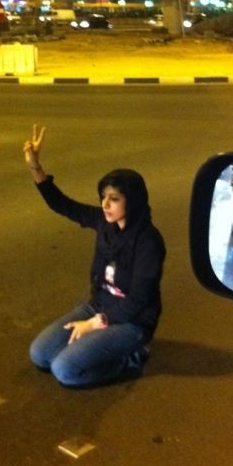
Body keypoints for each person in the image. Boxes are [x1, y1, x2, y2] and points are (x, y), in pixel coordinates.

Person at [24, 124, 166, 387]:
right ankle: (93, 347)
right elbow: (63, 205)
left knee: (64, 370)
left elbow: (138, 300)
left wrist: (93, 325)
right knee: (40, 354)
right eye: (103, 197)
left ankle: (132, 358)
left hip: (132, 322)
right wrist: (35, 166)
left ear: (131, 201)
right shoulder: (104, 223)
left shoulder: (149, 241)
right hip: (98, 306)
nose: (105, 204)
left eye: (114, 199)